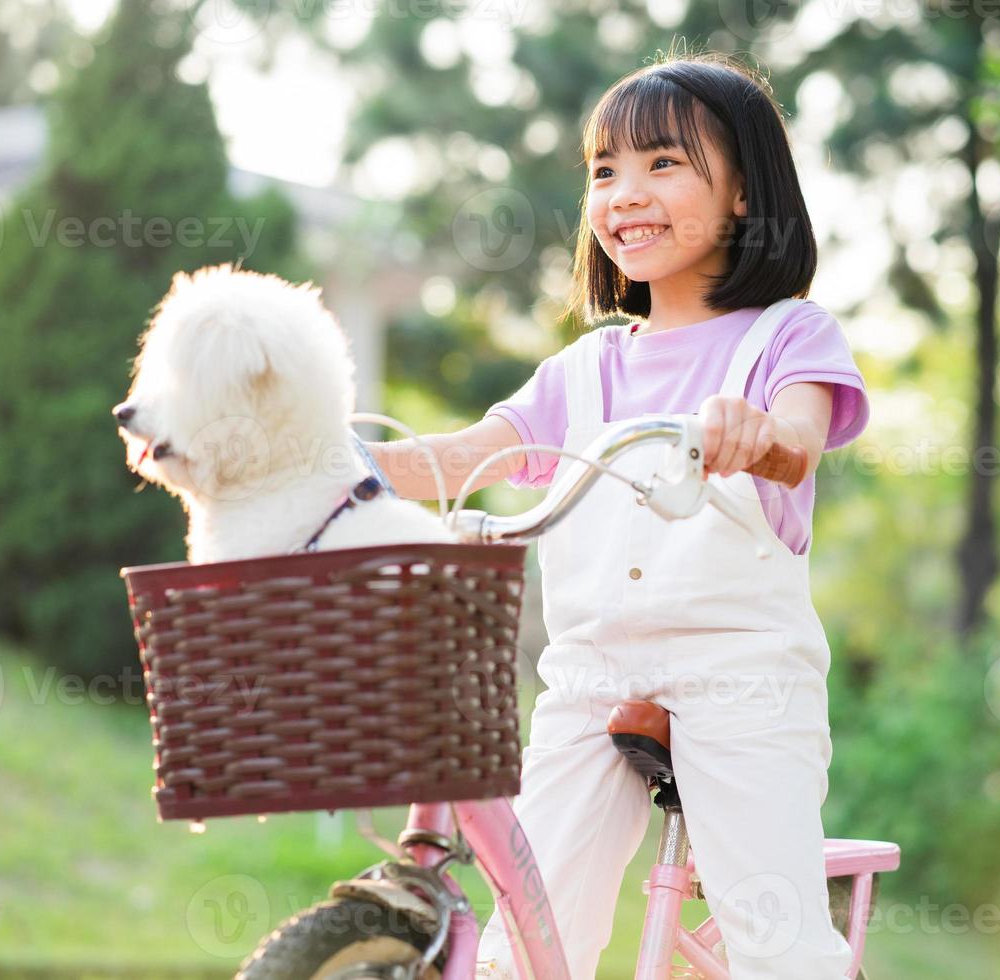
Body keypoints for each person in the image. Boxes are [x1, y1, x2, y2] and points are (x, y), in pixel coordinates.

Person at [365, 49, 870, 980]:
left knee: (775, 933)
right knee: (531, 928)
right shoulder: (584, 369)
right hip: (591, 674)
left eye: (662, 164)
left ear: (745, 195)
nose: (625, 193)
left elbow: (797, 439)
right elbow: (468, 456)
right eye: (605, 172)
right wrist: (337, 462)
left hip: (739, 669)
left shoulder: (788, 336)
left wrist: (752, 432)